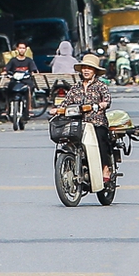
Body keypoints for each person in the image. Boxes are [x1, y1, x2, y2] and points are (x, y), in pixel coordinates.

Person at [53, 56, 115, 188]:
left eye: (90, 68)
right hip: (78, 122)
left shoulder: (101, 86)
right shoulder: (76, 87)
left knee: (100, 139)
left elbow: (107, 100)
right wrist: (58, 110)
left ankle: (105, 168)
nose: (86, 70)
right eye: (84, 68)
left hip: (96, 121)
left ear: (95, 71)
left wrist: (101, 105)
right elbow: (66, 102)